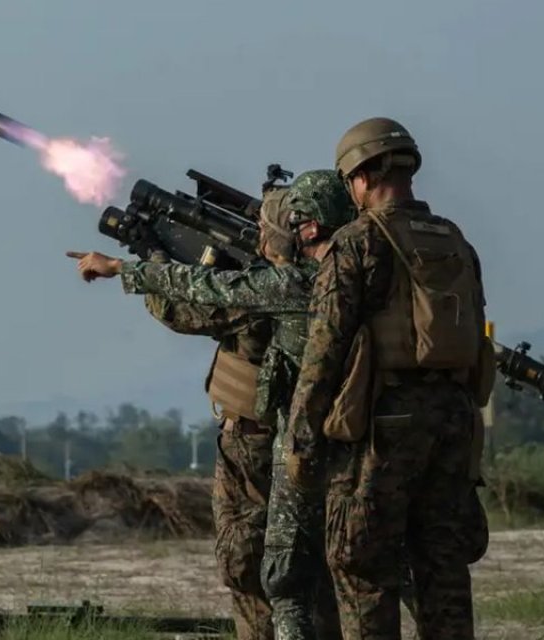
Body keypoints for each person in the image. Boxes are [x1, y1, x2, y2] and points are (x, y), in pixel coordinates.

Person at [68, 169, 355, 640]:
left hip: (262, 442)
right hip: (316, 442)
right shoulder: (340, 279)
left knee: (262, 567)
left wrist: (141, 261)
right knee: (307, 568)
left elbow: (190, 306)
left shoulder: (282, 286)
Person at [291, 117, 490, 640]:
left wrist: (301, 438)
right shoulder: (453, 240)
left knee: (363, 568)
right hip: (453, 422)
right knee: (443, 569)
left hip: (386, 427)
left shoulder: (356, 243)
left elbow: (324, 350)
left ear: (360, 176)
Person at [140, 251, 277, 640]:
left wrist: (154, 266)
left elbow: (180, 309)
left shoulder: (268, 286)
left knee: (247, 559)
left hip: (255, 443)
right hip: (300, 439)